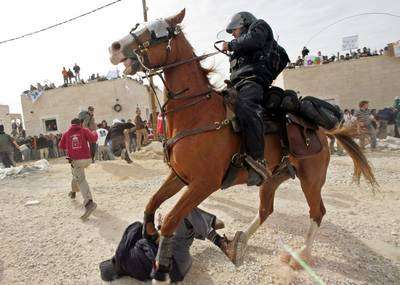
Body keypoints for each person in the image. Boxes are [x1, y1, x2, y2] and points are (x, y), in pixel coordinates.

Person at [99, 207, 241, 283]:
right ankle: (220, 242)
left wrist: (160, 230)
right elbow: (136, 227)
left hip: (180, 267)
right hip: (175, 259)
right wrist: (158, 232)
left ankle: (206, 225)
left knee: (177, 218)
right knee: (184, 209)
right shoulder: (125, 255)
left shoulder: (134, 269)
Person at [221, 11, 283, 186]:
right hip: (237, 84)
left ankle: (258, 160)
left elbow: (253, 40)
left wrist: (232, 45)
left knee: (247, 108)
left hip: (252, 82)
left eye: (235, 30)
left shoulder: (259, 26)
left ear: (245, 23)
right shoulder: (241, 46)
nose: (233, 34)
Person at [59, 117, 98, 219]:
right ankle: (73, 192)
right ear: (80, 124)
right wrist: (94, 132)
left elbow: (61, 146)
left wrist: (69, 145)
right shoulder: (84, 130)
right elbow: (94, 139)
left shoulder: (66, 133)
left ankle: (89, 203)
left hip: (76, 160)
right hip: (87, 159)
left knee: (80, 179)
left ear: (71, 124)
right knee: (75, 174)